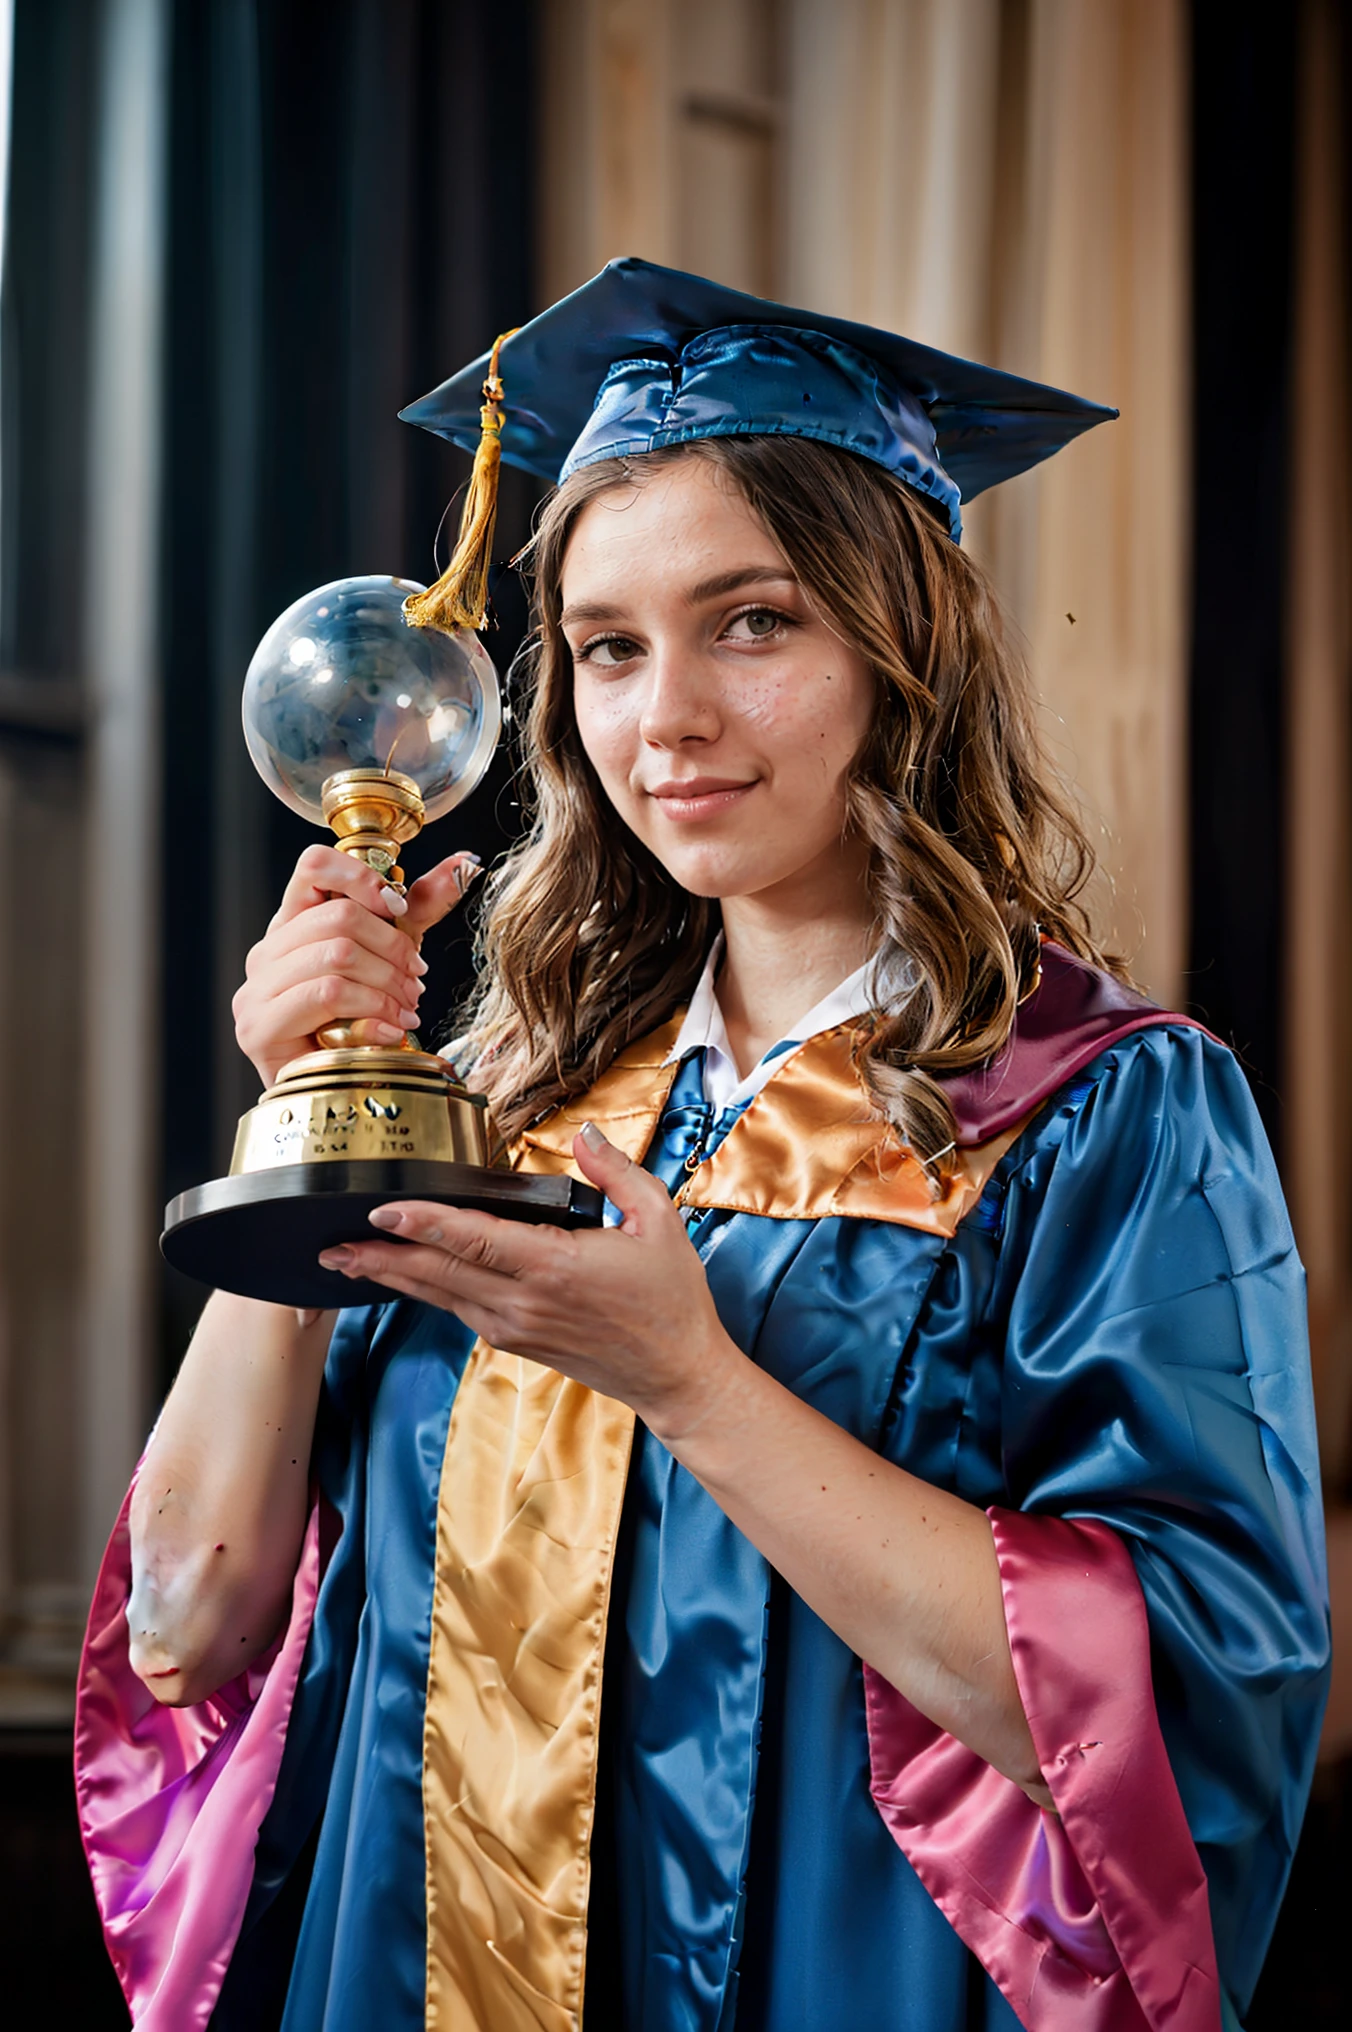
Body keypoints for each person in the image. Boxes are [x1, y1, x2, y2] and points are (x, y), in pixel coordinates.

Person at [77, 260, 1328, 2032]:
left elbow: (1177, 1702)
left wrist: (691, 1382)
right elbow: (189, 1630)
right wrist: (306, 1125)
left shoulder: (1095, 1105)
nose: (664, 718)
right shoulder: (511, 1109)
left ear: (905, 646)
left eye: (752, 622)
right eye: (606, 646)